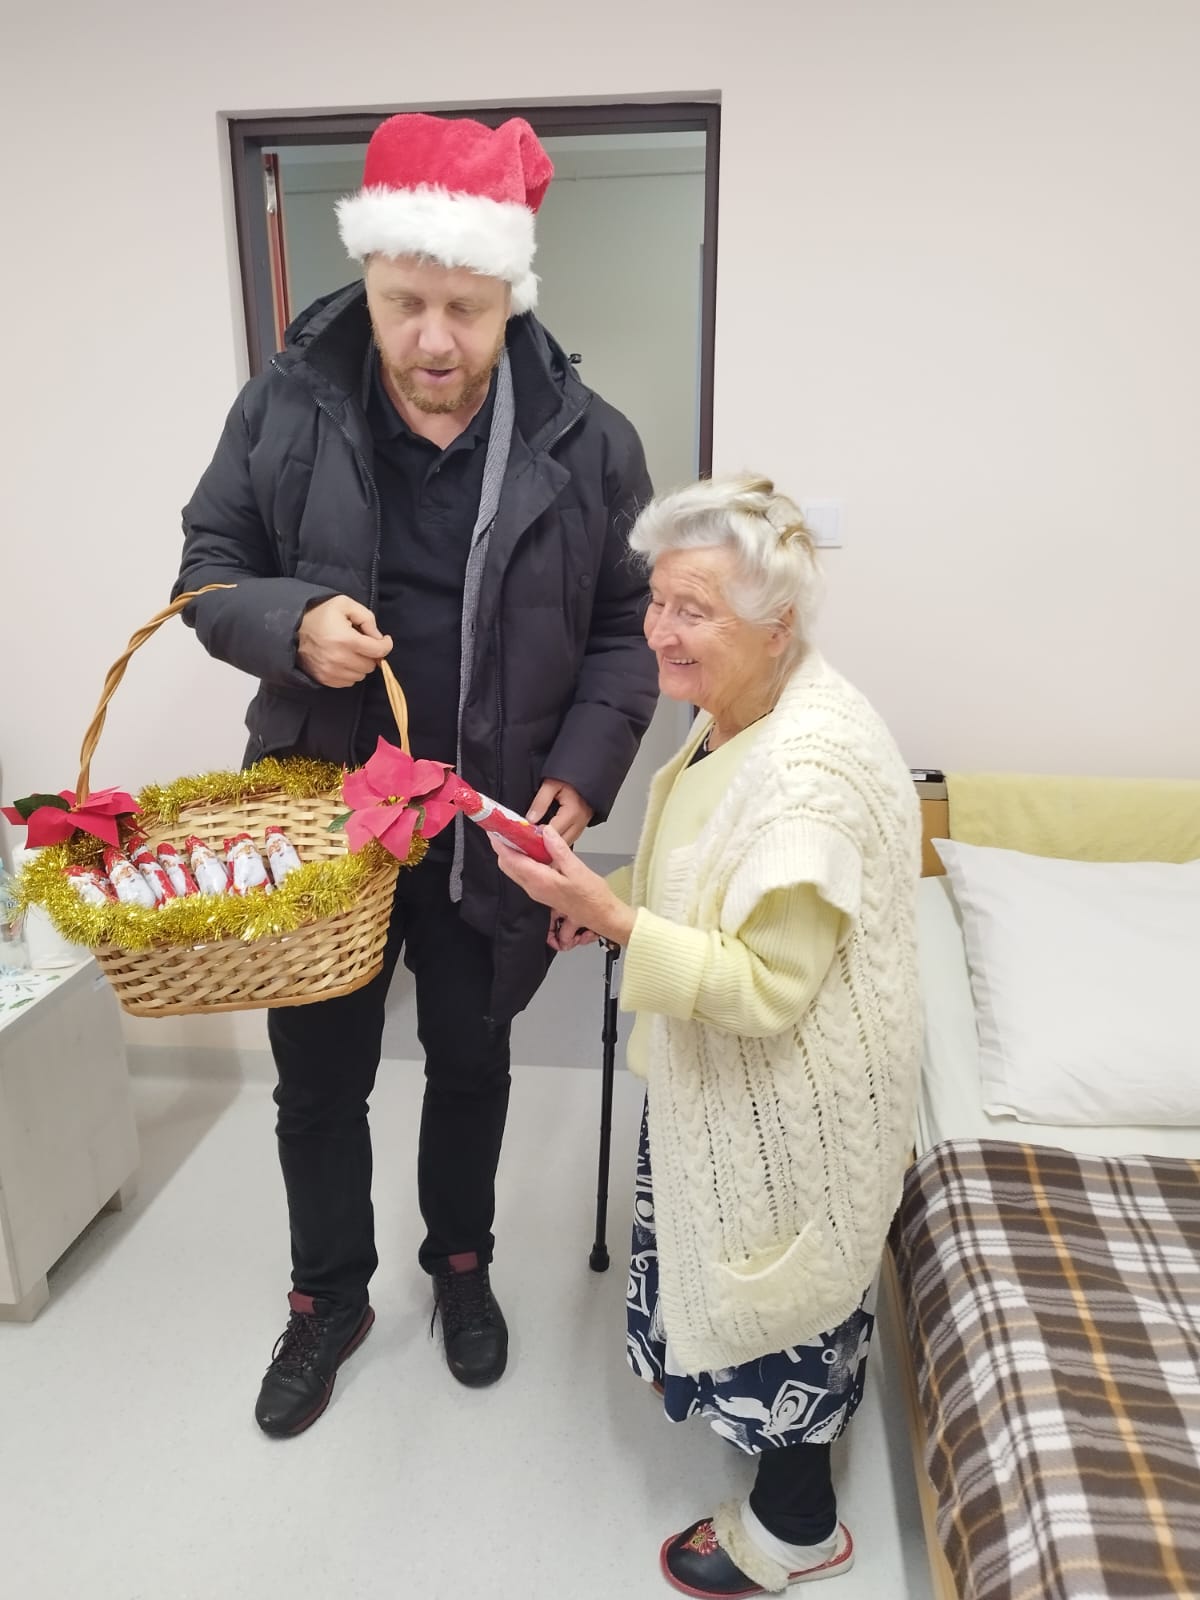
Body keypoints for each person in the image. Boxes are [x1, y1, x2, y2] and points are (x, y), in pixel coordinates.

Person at [173, 113, 657, 1436]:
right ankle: (328, 1298)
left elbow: (627, 628)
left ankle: (461, 1262)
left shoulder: (590, 439)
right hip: (325, 818)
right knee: (318, 1078)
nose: (434, 339)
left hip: (488, 820)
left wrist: (582, 772)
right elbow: (208, 570)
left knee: (472, 1055)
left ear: (510, 296)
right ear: (370, 280)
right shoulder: (282, 408)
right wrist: (291, 627)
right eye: (406, 303)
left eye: (466, 308)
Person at [492, 475, 922, 1596]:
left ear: (778, 626)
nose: (659, 631)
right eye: (657, 600)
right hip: (713, 1081)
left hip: (790, 1107)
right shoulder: (739, 711)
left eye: (694, 611)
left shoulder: (807, 778)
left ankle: (796, 1532)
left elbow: (767, 988)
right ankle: (735, 1412)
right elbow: (707, 873)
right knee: (726, 1268)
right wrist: (614, 901)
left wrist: (618, 920)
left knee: (784, 1303)